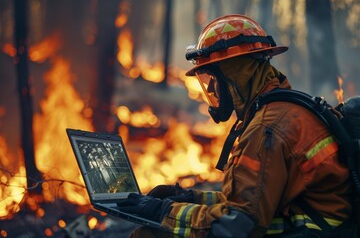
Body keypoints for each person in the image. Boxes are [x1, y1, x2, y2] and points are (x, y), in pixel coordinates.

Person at [117, 14, 356, 237]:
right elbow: (251, 198)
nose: (210, 89)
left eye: (213, 79)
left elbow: (236, 224)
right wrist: (187, 196)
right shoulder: (290, 111)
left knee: (152, 233)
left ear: (235, 76)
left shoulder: (266, 129)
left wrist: (162, 212)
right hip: (329, 228)